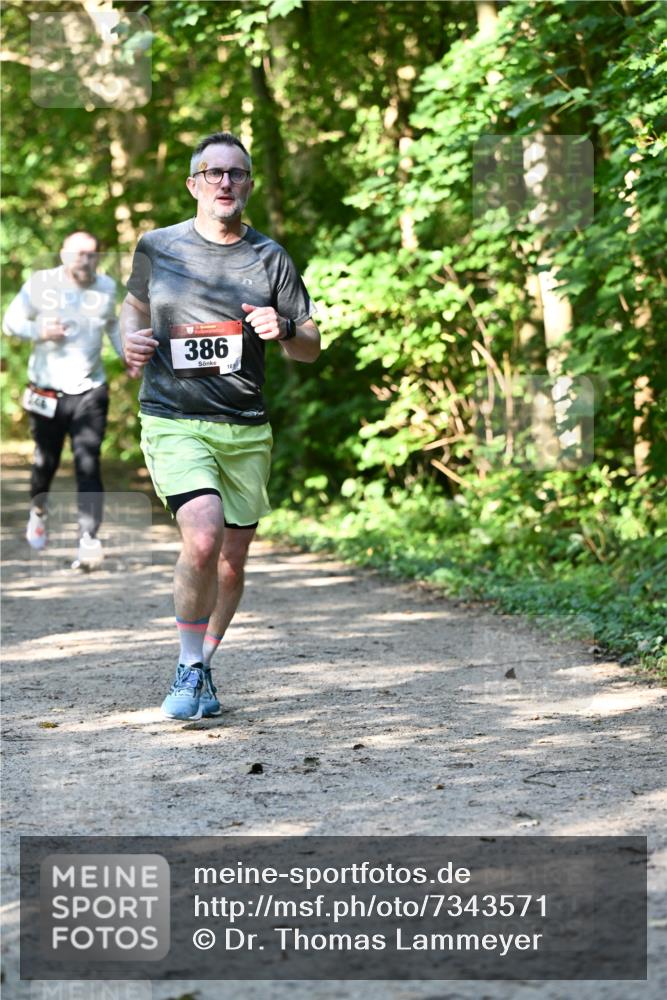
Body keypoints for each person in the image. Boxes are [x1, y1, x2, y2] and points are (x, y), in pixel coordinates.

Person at [121, 131, 321, 722]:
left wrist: (283, 328)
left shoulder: (270, 257)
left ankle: (204, 662)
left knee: (232, 559)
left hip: (245, 426)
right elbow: (131, 312)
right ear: (194, 184)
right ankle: (186, 664)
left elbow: (310, 346)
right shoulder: (156, 247)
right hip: (174, 417)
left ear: (248, 185)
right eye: (213, 173)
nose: (225, 183)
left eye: (236, 174)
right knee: (203, 536)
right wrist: (126, 343)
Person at [3, 231, 128, 567]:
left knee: (88, 462)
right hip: (47, 391)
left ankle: (89, 539)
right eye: (78, 253)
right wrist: (39, 331)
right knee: (46, 462)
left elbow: (113, 326)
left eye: (91, 254)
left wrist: (127, 356)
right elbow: (10, 323)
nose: (84, 260)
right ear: (63, 255)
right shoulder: (41, 283)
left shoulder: (105, 288)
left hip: (90, 390)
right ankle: (38, 510)